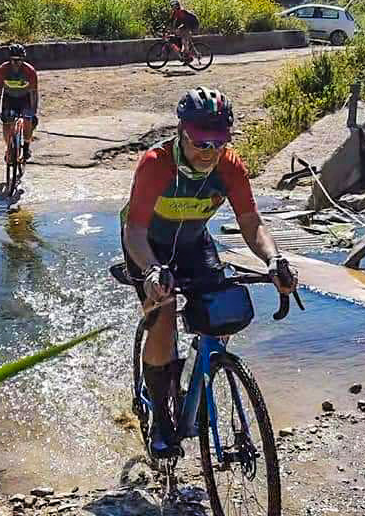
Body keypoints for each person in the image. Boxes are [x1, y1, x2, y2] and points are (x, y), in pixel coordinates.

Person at [120, 86, 297, 457]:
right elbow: (134, 231)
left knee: (222, 310)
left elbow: (251, 222)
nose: (210, 152)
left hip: (193, 243)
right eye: (202, 142)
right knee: (164, 314)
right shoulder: (156, 164)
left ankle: (202, 370)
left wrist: (274, 259)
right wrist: (152, 271)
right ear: (183, 134)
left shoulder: (229, 166)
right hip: (147, 247)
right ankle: (161, 423)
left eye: (219, 142)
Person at [0, 44, 39, 161]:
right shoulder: (2, 70)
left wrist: (33, 112)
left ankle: (26, 146)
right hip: (9, 98)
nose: (16, 63)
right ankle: (10, 147)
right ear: (9, 59)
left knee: (28, 119)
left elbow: (33, 93)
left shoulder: (30, 71)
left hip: (25, 98)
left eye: (19, 60)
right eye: (13, 60)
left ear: (23, 59)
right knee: (6, 121)